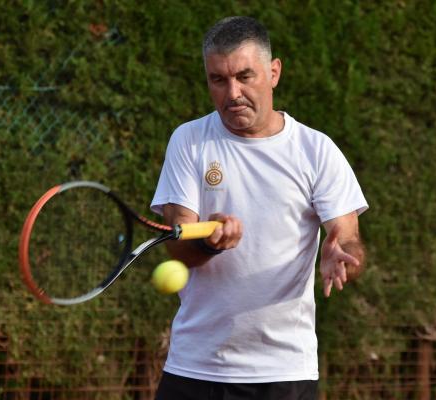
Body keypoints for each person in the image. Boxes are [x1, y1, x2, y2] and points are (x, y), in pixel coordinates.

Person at [151, 16, 368, 400]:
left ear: (273, 73)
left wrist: (342, 252)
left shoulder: (315, 151)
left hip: (285, 373)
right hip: (195, 367)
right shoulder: (189, 141)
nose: (232, 93)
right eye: (218, 80)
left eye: (244, 77)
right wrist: (209, 244)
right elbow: (178, 247)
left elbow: (347, 236)